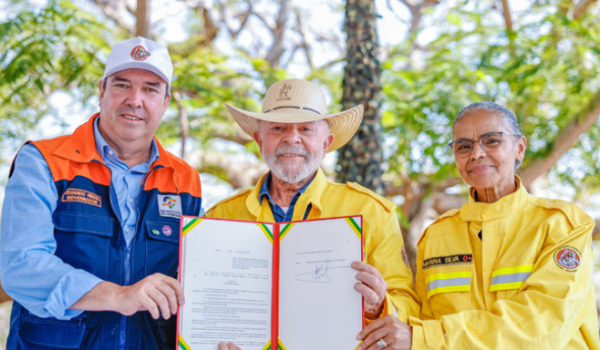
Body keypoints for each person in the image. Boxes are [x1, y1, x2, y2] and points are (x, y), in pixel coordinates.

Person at [1, 37, 202, 349]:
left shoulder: (185, 179)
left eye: (150, 89)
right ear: (101, 91)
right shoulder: (43, 161)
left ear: (165, 102)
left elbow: (193, 279)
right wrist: (118, 296)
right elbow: (21, 266)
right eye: (122, 85)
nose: (135, 100)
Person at [357, 102, 600, 350]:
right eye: (464, 146)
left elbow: (544, 324)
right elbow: (418, 324)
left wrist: (427, 338)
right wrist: (379, 307)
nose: (476, 154)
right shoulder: (436, 236)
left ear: (519, 148)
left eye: (492, 141)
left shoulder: (562, 225)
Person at [205, 79, 420, 349]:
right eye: (278, 128)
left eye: (306, 128)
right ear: (259, 140)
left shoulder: (371, 212)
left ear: (326, 143)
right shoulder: (218, 217)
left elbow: (409, 307)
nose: (292, 138)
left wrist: (379, 305)